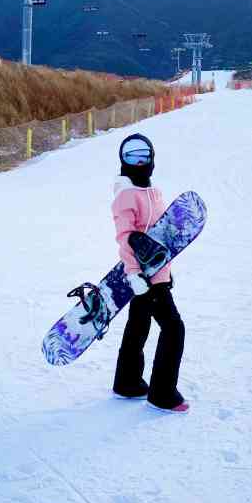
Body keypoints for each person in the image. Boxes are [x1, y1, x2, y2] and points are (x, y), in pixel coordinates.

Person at [111, 134, 189, 413]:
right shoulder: (125, 195)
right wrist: (133, 274)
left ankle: (128, 382)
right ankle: (162, 393)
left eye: (143, 154)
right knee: (174, 328)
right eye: (131, 156)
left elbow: (160, 235)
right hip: (143, 277)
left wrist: (167, 272)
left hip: (157, 274)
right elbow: (126, 238)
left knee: (139, 324)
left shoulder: (153, 191)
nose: (139, 161)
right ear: (123, 160)